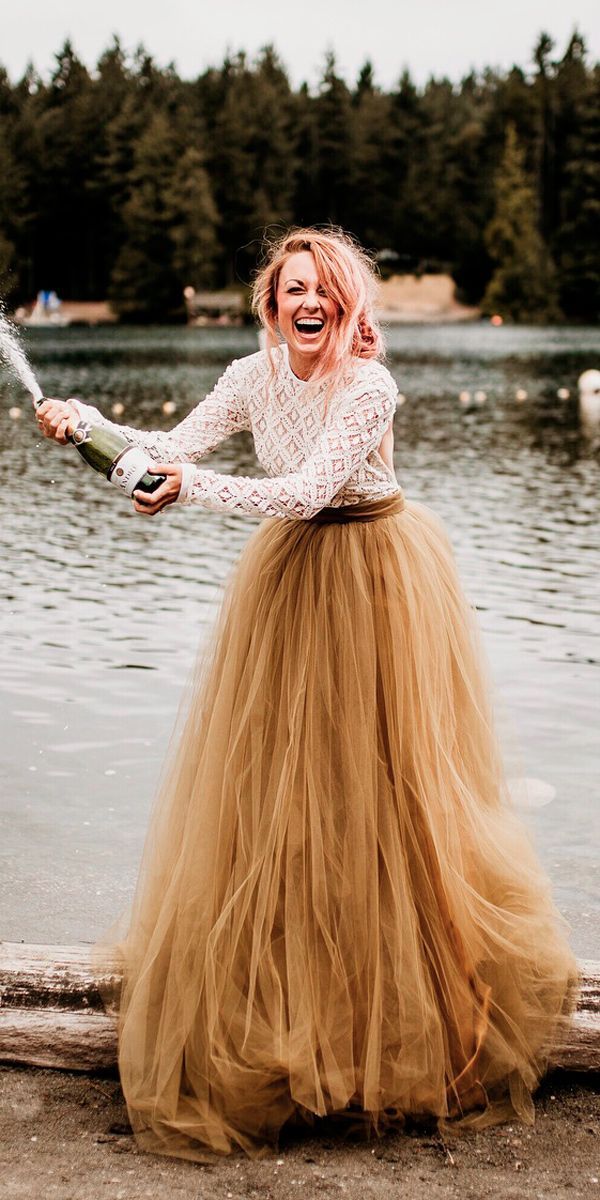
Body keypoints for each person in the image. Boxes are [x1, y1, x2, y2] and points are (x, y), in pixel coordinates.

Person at [36, 227, 579, 1163]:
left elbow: (305, 492)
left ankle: (438, 1026)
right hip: (290, 590)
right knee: (286, 804)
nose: (306, 300)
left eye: (322, 286)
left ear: (349, 301)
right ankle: (294, 1011)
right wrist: (94, 431)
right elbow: (171, 447)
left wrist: (185, 487)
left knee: (391, 794)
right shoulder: (250, 378)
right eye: (291, 288)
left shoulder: (371, 385)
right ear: (271, 303)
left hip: (377, 580)